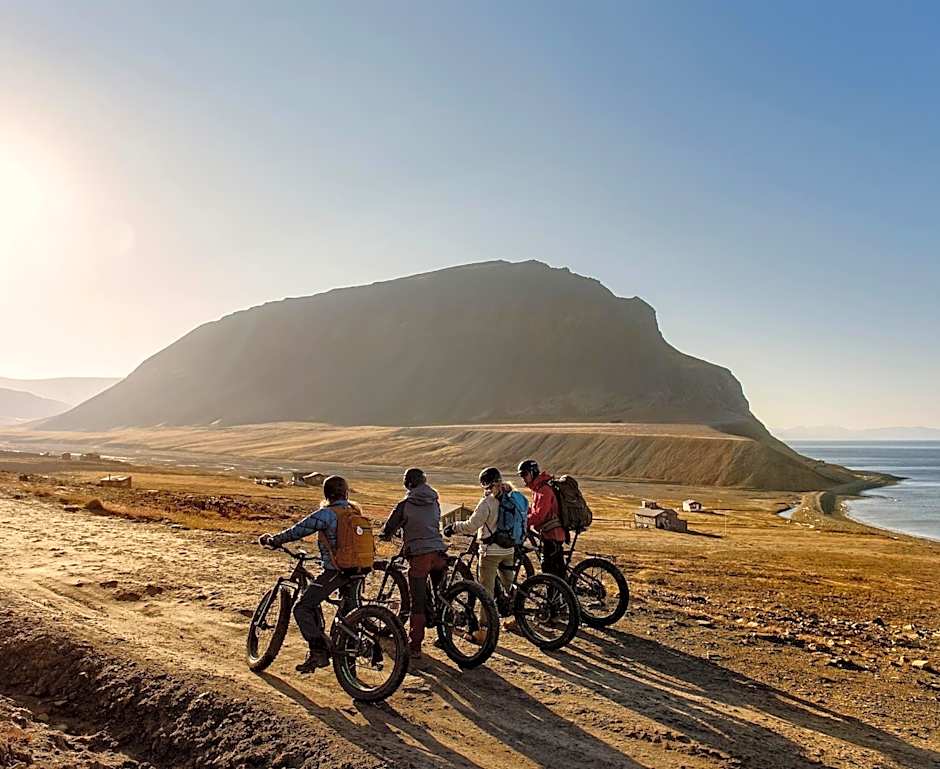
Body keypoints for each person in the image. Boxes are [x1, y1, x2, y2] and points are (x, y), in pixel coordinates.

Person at [259, 475, 360, 674]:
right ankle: (350, 671)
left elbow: (299, 530)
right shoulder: (354, 511)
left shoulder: (327, 514)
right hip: (359, 569)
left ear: (326, 494)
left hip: (337, 570)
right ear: (346, 492)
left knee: (302, 608)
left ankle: (318, 652)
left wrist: (274, 540)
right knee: (349, 614)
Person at [380, 467, 447, 659]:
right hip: (439, 552)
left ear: (408, 483)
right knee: (441, 596)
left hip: (420, 555)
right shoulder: (435, 500)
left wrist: (385, 535)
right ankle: (445, 636)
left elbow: (389, 528)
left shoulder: (405, 504)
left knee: (417, 603)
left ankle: (415, 646)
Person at [443, 467, 516, 636]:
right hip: (509, 549)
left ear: (484, 484)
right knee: (510, 585)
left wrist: (453, 527)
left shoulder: (487, 502)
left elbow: (471, 525)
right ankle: (516, 619)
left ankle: (484, 630)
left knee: (486, 592)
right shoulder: (511, 496)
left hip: (491, 552)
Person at [517, 459, 566, 581]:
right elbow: (535, 512)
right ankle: (562, 596)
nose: (523, 478)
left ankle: (556, 599)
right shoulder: (538, 489)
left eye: (525, 474)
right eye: (521, 475)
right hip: (550, 535)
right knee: (555, 571)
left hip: (552, 535)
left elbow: (539, 516)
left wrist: (522, 522)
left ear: (533, 473)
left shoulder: (543, 490)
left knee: (550, 573)